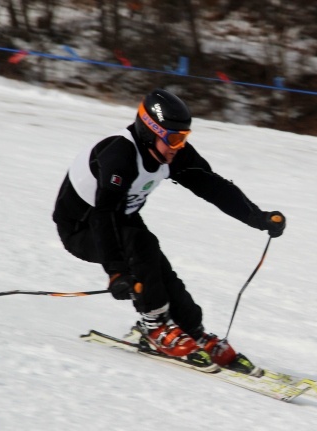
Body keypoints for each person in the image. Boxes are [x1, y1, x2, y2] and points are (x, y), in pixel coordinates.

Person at [53, 88, 285, 373]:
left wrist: (257, 217)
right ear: (150, 131)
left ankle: (194, 331)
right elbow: (104, 214)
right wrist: (115, 271)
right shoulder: (119, 155)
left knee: (158, 267)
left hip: (121, 220)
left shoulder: (173, 154)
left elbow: (212, 186)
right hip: (82, 228)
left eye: (184, 137)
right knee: (142, 246)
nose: (178, 146)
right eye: (173, 138)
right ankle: (154, 326)